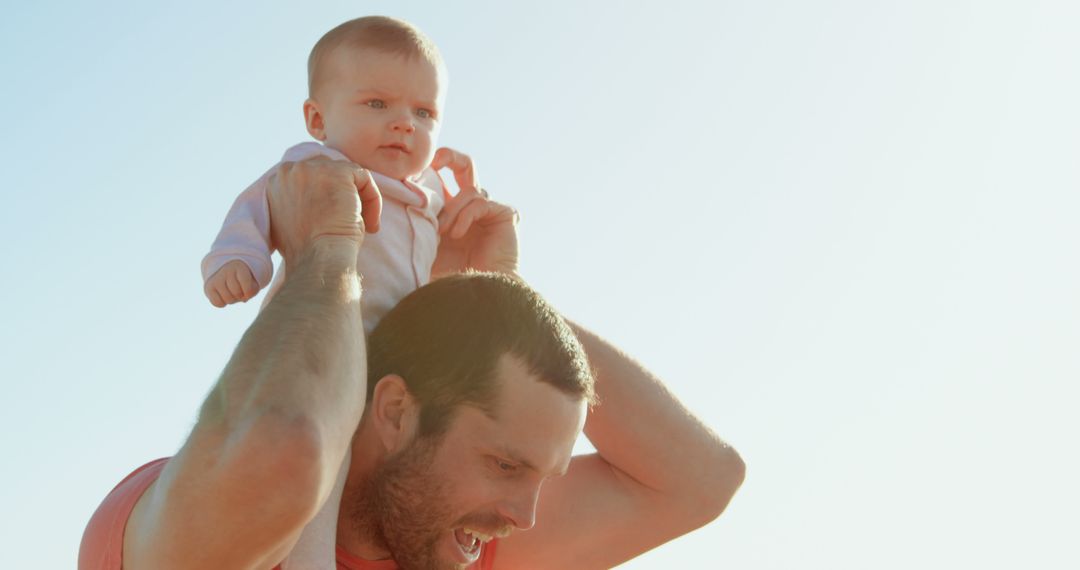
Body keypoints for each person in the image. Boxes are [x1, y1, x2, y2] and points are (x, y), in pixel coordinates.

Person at [79, 155, 745, 569]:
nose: (526, 514)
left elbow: (702, 478)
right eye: (507, 465)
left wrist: (492, 292)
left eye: (540, 476)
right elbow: (281, 450)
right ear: (395, 409)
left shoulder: (468, 548)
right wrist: (329, 249)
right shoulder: (182, 517)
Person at [199, 16, 498, 569]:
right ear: (318, 118)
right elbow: (255, 206)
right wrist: (236, 259)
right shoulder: (320, 167)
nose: (404, 125)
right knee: (322, 464)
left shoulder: (428, 193)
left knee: (421, 459)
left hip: (398, 367)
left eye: (424, 112)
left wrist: (467, 206)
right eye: (377, 105)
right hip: (328, 352)